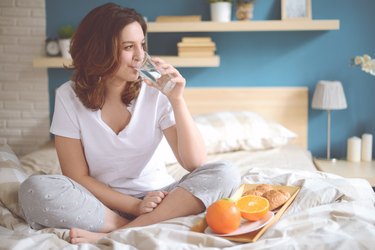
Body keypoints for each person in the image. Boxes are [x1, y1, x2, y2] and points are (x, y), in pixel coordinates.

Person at [18, 3, 241, 244]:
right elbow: (77, 176)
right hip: (100, 204)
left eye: (142, 45)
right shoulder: (67, 96)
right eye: (128, 47)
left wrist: (177, 100)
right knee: (34, 189)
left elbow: (194, 163)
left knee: (226, 172)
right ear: (99, 50)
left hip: (163, 198)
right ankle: (131, 227)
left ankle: (115, 234)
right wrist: (136, 207)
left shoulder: (156, 91)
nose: (140, 56)